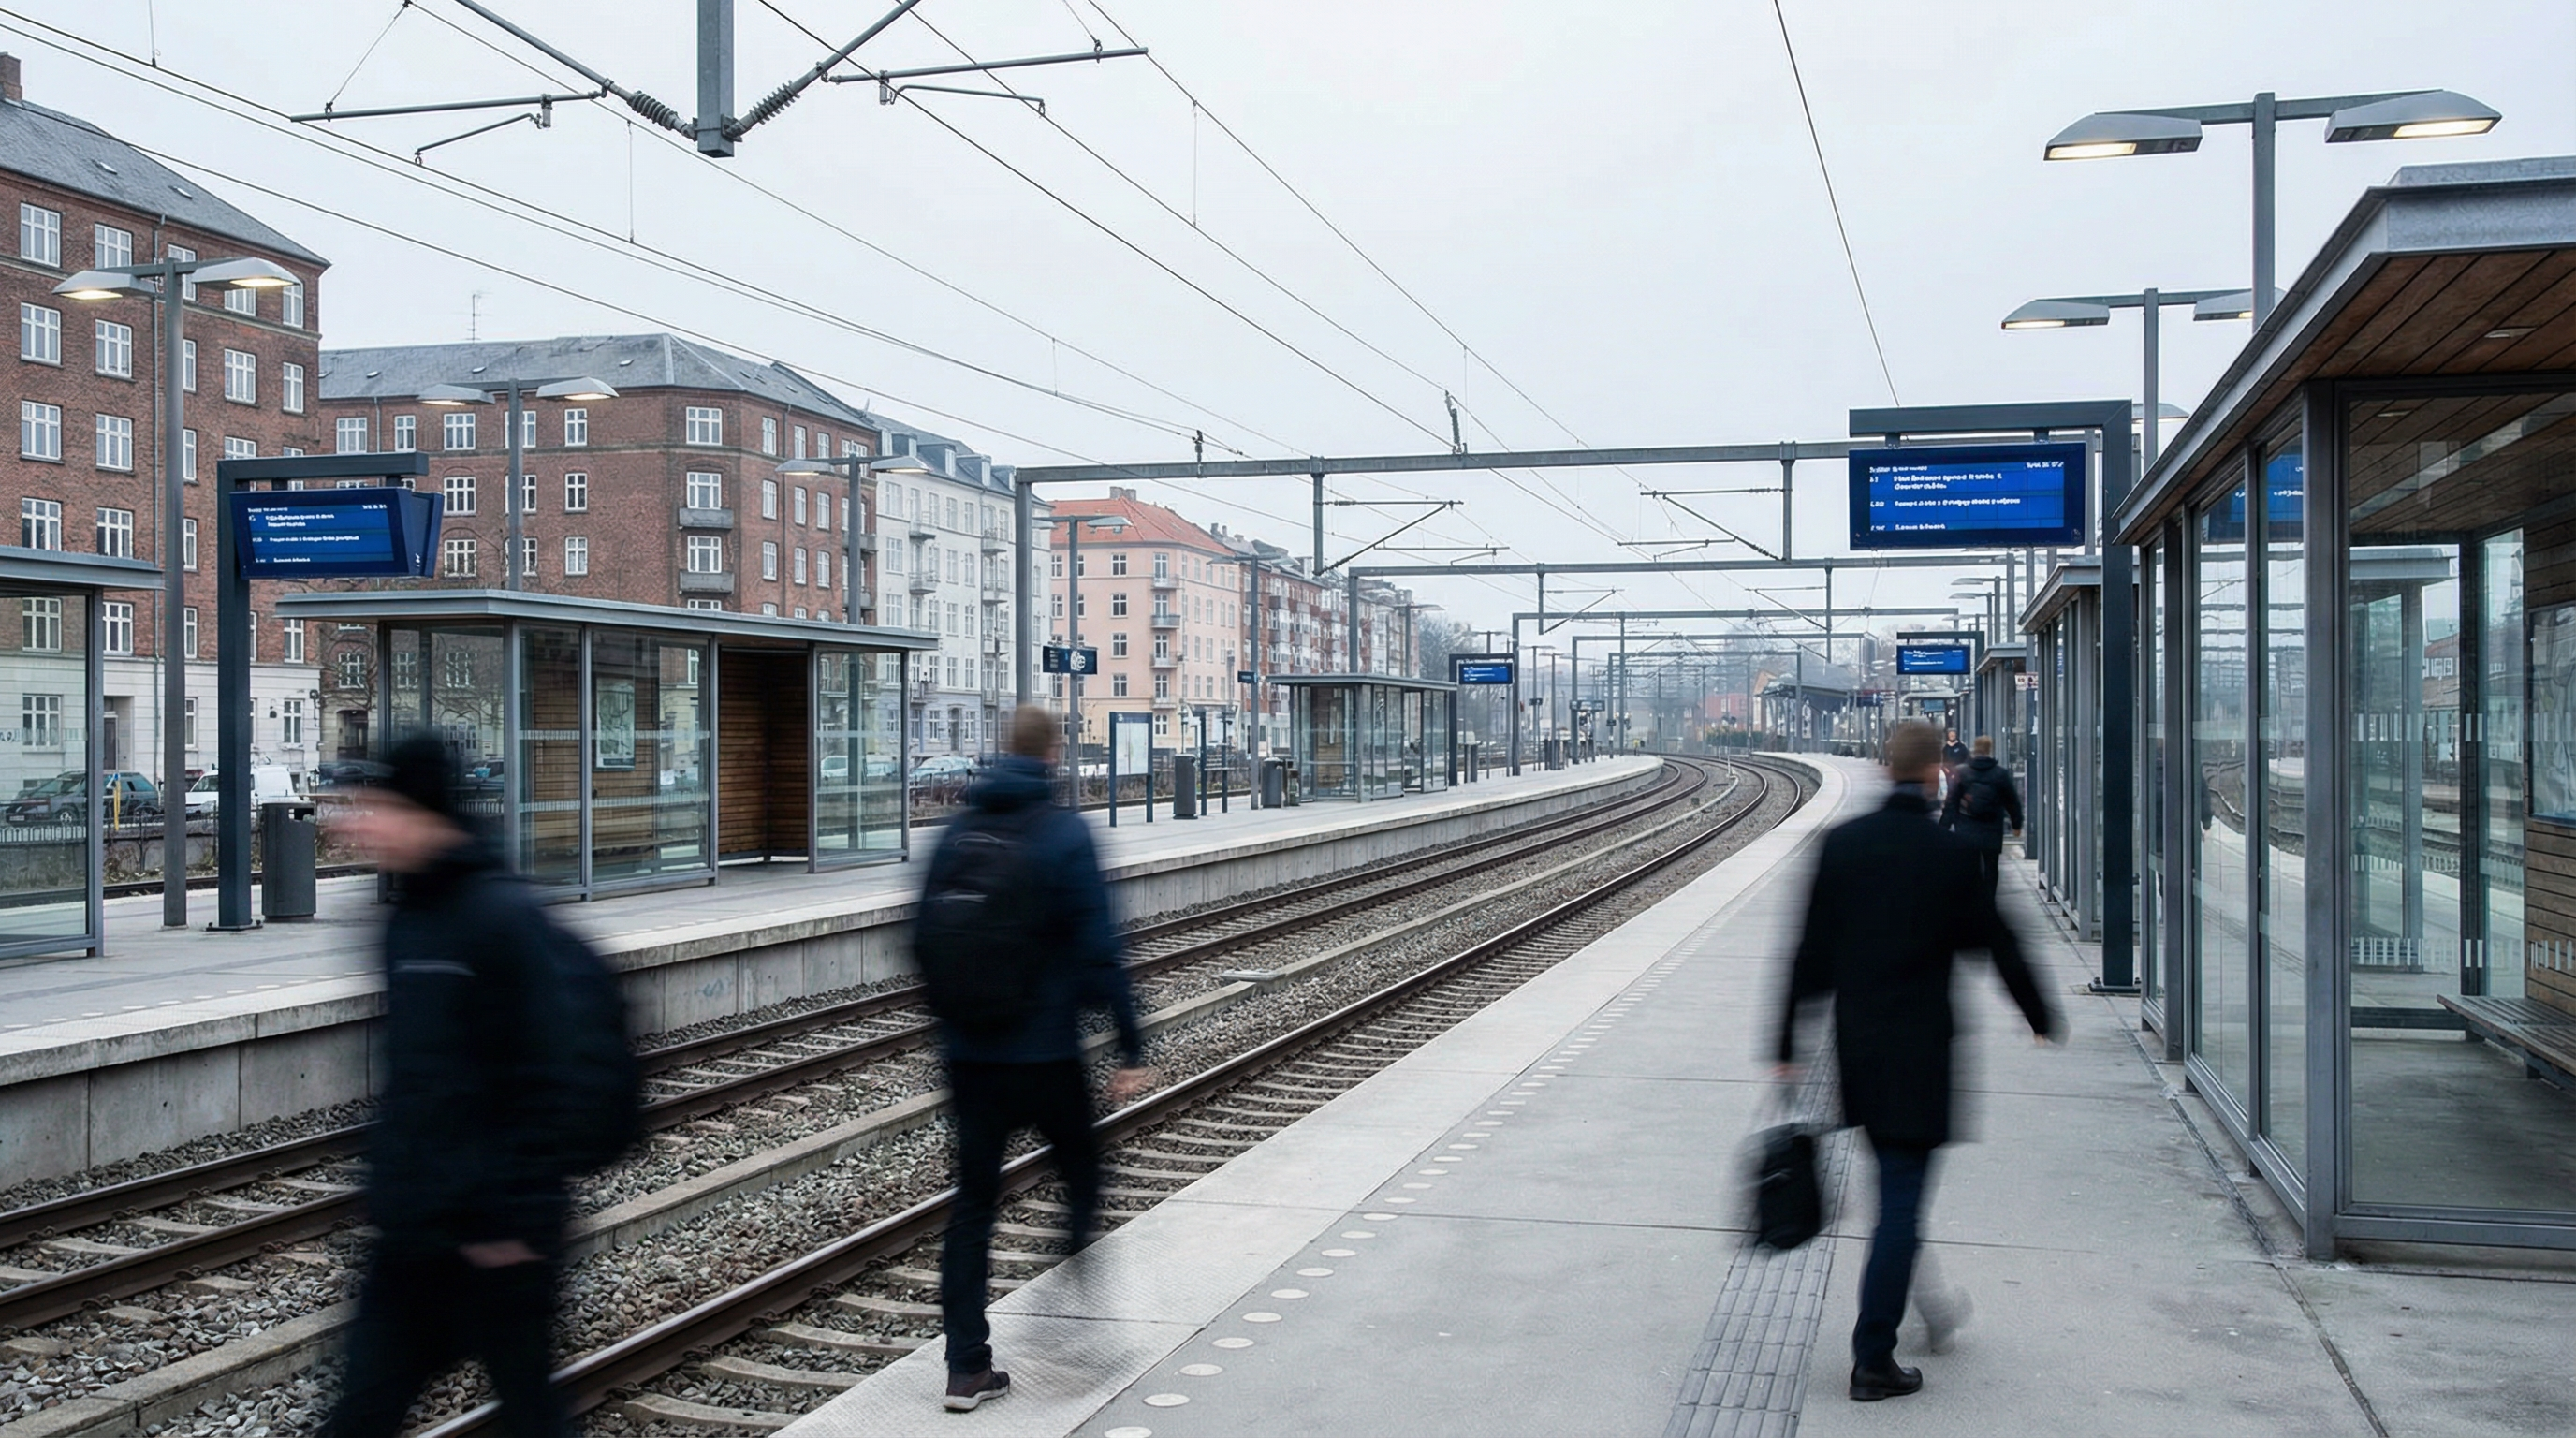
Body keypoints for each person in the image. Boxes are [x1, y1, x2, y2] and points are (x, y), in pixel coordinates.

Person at [1775, 721, 2059, 1402]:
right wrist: (2038, 1014)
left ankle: (1933, 1308)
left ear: (1882, 768)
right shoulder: (1950, 854)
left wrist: (1786, 1043)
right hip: (1924, 1053)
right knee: (1901, 1201)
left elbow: (1807, 953)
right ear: (1938, 773)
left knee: (1896, 1197)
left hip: (1861, 1049)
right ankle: (1873, 1356)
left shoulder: (1842, 847)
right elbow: (1997, 941)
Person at [328, 734, 579, 1438]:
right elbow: (417, 1080)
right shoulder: (406, 921)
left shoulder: (500, 917)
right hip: (415, 1231)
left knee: (530, 1413)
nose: (357, 825)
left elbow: (545, 1072)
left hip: (497, 1240)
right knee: (362, 1411)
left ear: (418, 810)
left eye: (373, 806)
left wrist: (514, 1222)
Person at [922, 705, 1152, 1414]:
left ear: (1001, 751)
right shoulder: (1064, 832)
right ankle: (1065, 1300)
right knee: (1082, 1176)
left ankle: (965, 1368)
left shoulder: (956, 831)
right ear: (1052, 752)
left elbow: (920, 937)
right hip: (1047, 1052)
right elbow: (1099, 945)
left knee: (973, 1207)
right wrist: (1128, 1043)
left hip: (971, 1056)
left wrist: (956, 1022)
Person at [1939, 736, 2024, 902]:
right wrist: (2016, 824)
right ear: (1989, 750)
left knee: (1969, 866)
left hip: (1966, 827)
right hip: (1991, 828)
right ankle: (1989, 901)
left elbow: (1952, 802)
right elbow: (2012, 801)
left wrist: (1943, 827)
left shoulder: (1962, 772)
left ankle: (1971, 900)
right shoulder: (2000, 774)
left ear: (1974, 749)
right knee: (1991, 867)